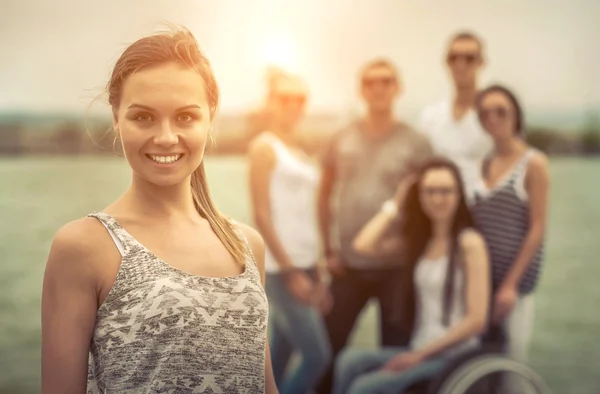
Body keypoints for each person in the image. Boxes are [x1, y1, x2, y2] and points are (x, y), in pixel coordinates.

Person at [41, 27, 278, 394]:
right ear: (117, 118)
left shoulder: (246, 246)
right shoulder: (84, 247)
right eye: (144, 117)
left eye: (185, 117)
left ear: (209, 118)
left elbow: (264, 385)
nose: (166, 137)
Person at [316, 59, 433, 394]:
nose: (378, 88)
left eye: (386, 81)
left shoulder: (416, 143)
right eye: (370, 82)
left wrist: (414, 251)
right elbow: (323, 194)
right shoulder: (341, 137)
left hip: (398, 269)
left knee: (395, 355)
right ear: (361, 89)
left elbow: (429, 204)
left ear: (398, 88)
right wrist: (328, 250)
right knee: (327, 348)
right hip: (347, 266)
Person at [333, 157, 490, 394]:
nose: (437, 199)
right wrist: (397, 203)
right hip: (419, 349)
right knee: (348, 361)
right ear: (419, 196)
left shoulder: (470, 243)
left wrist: (418, 355)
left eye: (446, 191)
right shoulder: (420, 244)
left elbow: (476, 321)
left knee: (365, 388)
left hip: (453, 356)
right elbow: (363, 245)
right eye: (429, 191)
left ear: (459, 195)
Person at [248, 74, 332, 394]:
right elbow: (262, 215)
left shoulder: (298, 149)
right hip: (282, 268)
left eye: (300, 99)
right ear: (271, 102)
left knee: (281, 354)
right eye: (285, 98)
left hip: (308, 264)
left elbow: (310, 216)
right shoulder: (264, 147)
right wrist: (291, 269)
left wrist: (320, 270)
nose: (293, 105)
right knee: (317, 355)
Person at [472, 84, 549, 363]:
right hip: (482, 283)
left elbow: (537, 228)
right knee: (480, 362)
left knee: (512, 363)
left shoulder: (533, 163)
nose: (492, 118)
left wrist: (510, 285)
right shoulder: (484, 163)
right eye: (485, 113)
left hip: (512, 287)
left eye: (500, 111)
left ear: (516, 115)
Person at [419, 31, 493, 203]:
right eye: (454, 58)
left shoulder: (494, 115)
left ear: (482, 63)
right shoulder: (430, 116)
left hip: (483, 215)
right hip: (440, 216)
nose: (461, 64)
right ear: (446, 63)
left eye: (469, 58)